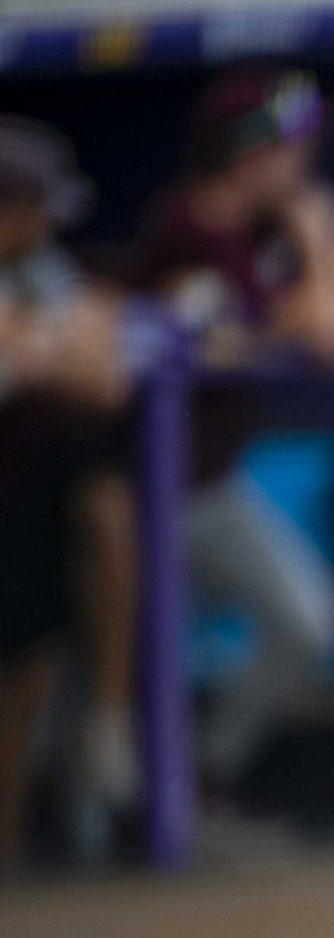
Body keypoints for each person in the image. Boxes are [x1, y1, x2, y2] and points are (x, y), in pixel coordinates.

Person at [135, 65, 334, 808]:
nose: (305, 165)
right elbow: (329, 331)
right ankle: (137, 806)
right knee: (98, 670)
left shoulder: (250, 235)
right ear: (249, 154)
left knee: (309, 620)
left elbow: (331, 310)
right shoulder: (190, 234)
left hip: (208, 485)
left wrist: (332, 262)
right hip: (142, 490)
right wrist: (329, 242)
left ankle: (196, 784)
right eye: (292, 147)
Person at [0, 118, 134, 866]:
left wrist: (33, 344)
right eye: (32, 210)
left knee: (29, 670)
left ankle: (8, 849)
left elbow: (103, 375)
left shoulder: (38, 273)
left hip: (20, 504)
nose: (45, 226)